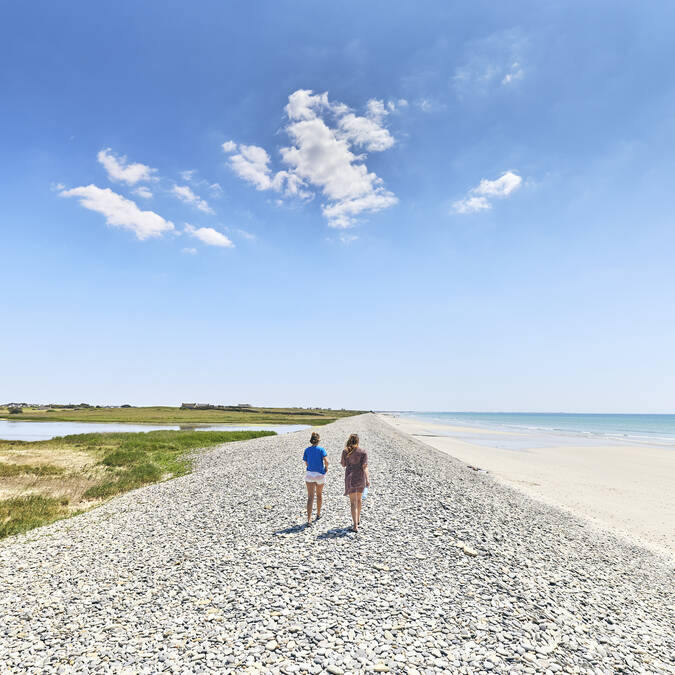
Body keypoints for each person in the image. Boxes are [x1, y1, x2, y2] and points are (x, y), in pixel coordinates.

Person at [341, 433, 370, 532]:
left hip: (350, 478)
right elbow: (365, 467)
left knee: (353, 502)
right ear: (358, 441)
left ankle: (355, 525)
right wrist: (367, 479)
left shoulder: (345, 451)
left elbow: (343, 465)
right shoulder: (363, 452)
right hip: (360, 477)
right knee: (359, 500)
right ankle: (358, 520)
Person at [303, 431, 328, 525]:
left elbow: (306, 463)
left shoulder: (307, 450)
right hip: (320, 475)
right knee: (319, 495)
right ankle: (318, 514)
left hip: (310, 474)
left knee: (310, 497)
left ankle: (309, 519)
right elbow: (327, 461)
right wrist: (326, 468)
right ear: (318, 440)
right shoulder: (321, 449)